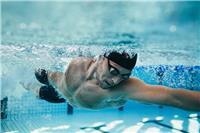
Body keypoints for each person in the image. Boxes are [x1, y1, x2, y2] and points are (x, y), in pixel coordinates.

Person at [21, 51, 200, 111]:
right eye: (113, 71)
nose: (116, 80)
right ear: (100, 58)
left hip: (62, 97)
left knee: (38, 92)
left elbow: (172, 97)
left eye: (124, 75)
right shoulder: (79, 61)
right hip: (57, 85)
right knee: (34, 75)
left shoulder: (124, 88)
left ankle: (29, 87)